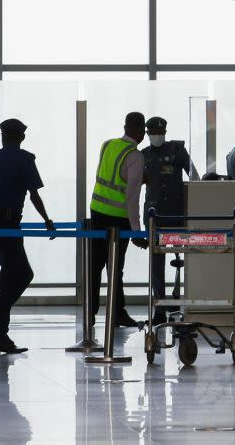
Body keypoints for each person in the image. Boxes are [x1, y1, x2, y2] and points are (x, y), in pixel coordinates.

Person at [0, 118, 55, 354]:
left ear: (2, 136)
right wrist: (47, 220)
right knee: (22, 273)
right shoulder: (25, 159)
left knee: (9, 274)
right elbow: (34, 196)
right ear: (21, 137)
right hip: (11, 224)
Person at [89, 112, 148, 328]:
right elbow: (131, 196)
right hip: (117, 218)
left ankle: (90, 314)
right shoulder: (135, 156)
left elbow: (110, 177)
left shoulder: (107, 145)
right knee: (115, 267)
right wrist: (136, 232)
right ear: (142, 131)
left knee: (95, 265)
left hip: (96, 211)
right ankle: (117, 314)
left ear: (124, 126)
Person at [141, 116, 193, 324]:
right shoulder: (142, 155)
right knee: (157, 263)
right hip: (155, 216)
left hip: (177, 213)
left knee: (183, 258)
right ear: (148, 134)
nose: (157, 135)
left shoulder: (177, 150)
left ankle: (179, 298)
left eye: (160, 132)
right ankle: (159, 308)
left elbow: (194, 176)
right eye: (153, 132)